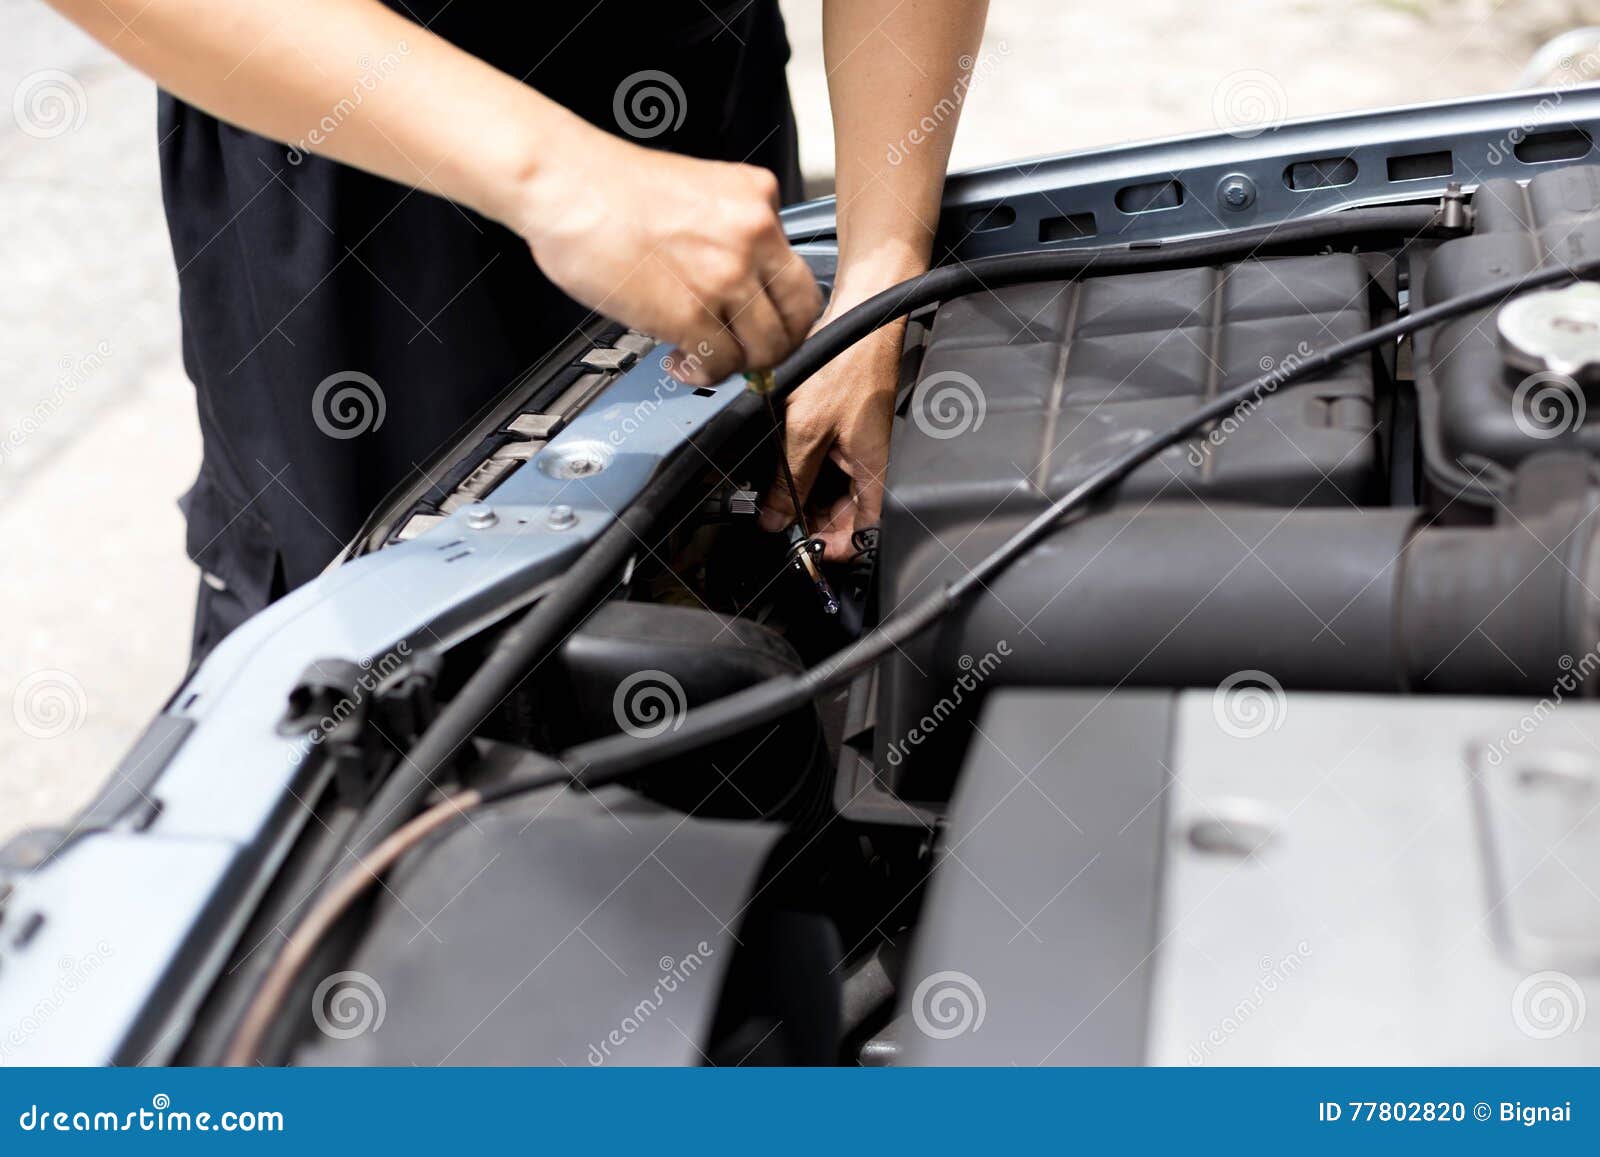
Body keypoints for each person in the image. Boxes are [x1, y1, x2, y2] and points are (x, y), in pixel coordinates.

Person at [47, 0, 989, 659]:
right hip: (368, 170)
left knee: (717, 583)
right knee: (400, 671)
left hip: (704, 126)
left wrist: (881, 271)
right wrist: (555, 178)